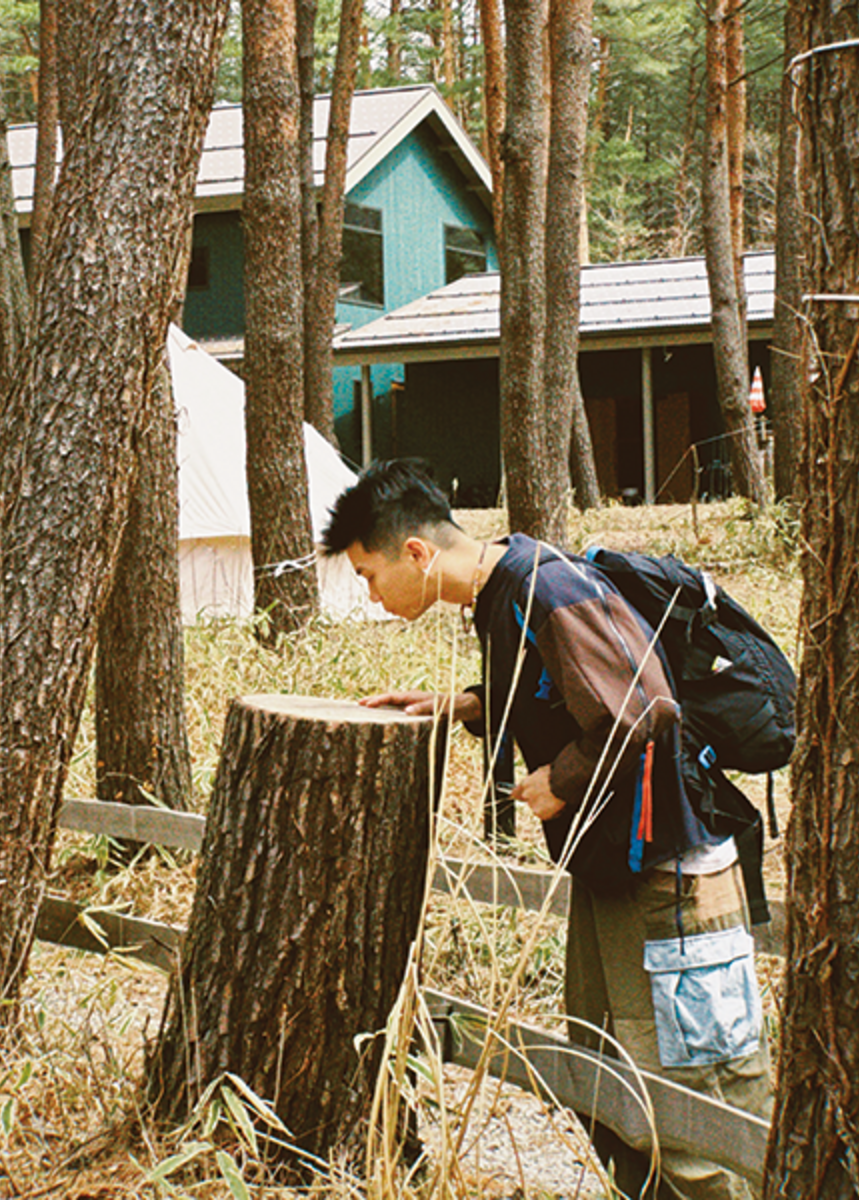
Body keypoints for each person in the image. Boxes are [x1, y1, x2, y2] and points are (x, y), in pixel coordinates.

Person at [322, 459, 772, 1200]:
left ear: (416, 554)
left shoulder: (545, 585)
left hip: (673, 883)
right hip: (619, 879)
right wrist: (465, 704)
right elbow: (558, 686)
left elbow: (643, 708)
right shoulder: (506, 591)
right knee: (614, 1089)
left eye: (369, 575)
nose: (371, 596)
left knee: (692, 1109)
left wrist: (559, 780)